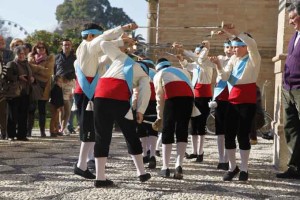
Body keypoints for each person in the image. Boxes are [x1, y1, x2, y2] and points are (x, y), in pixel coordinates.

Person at [73, 22, 138, 180]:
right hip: (86, 94)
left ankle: (81, 164)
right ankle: (81, 165)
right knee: (89, 130)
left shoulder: (90, 52)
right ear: (90, 36)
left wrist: (124, 43)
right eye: (96, 36)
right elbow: (104, 40)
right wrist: (124, 28)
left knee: (92, 131)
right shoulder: (86, 47)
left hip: (91, 93)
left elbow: (104, 55)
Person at [93, 35, 151, 187]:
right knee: (130, 134)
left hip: (100, 95)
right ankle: (141, 172)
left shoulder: (122, 57)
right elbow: (145, 92)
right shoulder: (143, 74)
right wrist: (140, 111)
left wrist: (122, 42)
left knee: (101, 136)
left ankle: (100, 177)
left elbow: (104, 44)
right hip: (119, 98)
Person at [209, 24, 261, 181]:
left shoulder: (253, 58)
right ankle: (232, 167)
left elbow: (252, 44)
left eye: (237, 47)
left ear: (245, 47)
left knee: (243, 135)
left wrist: (233, 33)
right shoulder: (233, 59)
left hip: (247, 101)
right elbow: (225, 78)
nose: (234, 50)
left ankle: (244, 169)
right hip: (232, 101)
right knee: (229, 135)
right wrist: (218, 65)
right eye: (233, 47)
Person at [153, 58, 198, 180]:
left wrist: (160, 117)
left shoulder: (159, 74)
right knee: (182, 131)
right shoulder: (183, 71)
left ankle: (165, 167)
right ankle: (179, 165)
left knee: (168, 131)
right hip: (188, 100)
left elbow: (159, 97)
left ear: (158, 67)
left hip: (172, 99)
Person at [174, 41, 214, 163]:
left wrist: (206, 47)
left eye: (199, 53)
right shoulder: (197, 65)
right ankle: (195, 151)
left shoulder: (206, 63)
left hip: (203, 96)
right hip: (194, 96)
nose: (197, 55)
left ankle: (201, 152)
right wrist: (181, 59)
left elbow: (199, 59)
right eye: (196, 53)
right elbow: (187, 66)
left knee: (201, 125)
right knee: (194, 125)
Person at [274, 2, 300, 179]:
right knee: (291, 128)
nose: (290, 21)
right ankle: (295, 167)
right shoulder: (295, 35)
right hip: (288, 88)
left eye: (293, 17)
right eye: (289, 18)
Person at [210, 39, 233, 170]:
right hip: (220, 97)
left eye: (231, 47)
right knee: (220, 130)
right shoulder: (220, 58)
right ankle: (221, 159)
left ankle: (229, 159)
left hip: (232, 96)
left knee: (230, 129)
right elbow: (201, 61)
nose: (229, 49)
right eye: (227, 47)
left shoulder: (237, 60)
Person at [134, 58, 158, 169]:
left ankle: (144, 154)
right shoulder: (157, 73)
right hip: (154, 101)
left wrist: (133, 107)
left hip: (141, 101)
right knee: (153, 129)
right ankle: (152, 154)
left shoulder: (138, 73)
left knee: (141, 130)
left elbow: (135, 92)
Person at [6, 46, 34, 141]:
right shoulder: (11, 64)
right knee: (12, 115)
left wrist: (32, 79)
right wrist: (18, 77)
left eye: (23, 53)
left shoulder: (27, 64)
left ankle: (22, 135)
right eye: (19, 54)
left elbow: (30, 75)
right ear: (16, 54)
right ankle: (11, 135)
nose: (21, 55)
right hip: (14, 93)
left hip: (25, 92)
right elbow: (7, 77)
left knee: (23, 115)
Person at [28, 42, 55, 137]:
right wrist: (41, 69)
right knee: (31, 109)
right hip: (33, 86)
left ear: (46, 48)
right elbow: (29, 70)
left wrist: (35, 70)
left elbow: (48, 73)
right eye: (38, 47)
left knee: (42, 110)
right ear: (35, 48)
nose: (41, 49)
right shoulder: (30, 57)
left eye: (43, 47)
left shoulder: (50, 57)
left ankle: (42, 131)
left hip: (44, 87)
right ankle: (29, 131)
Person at [54, 39, 76, 135]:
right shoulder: (57, 57)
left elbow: (77, 70)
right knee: (60, 108)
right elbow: (54, 70)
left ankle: (64, 127)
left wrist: (68, 77)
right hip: (59, 84)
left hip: (70, 83)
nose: (66, 46)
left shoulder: (75, 58)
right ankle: (60, 127)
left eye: (68, 45)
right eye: (65, 45)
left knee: (68, 106)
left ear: (71, 46)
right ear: (62, 46)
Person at [0, 35, 14, 140]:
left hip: (3, 86)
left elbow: (8, 65)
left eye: (1, 40)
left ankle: (3, 133)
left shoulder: (9, 53)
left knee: (3, 111)